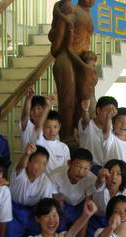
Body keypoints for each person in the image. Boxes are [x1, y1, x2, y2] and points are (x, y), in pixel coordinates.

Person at [48, 0, 95, 141]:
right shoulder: (70, 8)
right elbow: (56, 43)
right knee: (68, 101)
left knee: (85, 99)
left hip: (82, 60)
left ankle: (81, 134)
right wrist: (64, 22)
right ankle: (66, 136)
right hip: (67, 58)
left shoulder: (88, 14)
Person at [49, 147, 96, 237]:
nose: (81, 172)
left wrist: (81, 235)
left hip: (80, 208)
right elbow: (55, 205)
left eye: (85, 168)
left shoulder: (91, 179)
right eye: (78, 166)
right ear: (69, 163)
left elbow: (87, 208)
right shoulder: (55, 175)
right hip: (60, 208)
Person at [78, 96, 118, 173]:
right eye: (107, 112)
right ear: (98, 110)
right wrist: (85, 110)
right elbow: (85, 120)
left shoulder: (112, 127)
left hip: (105, 169)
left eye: (112, 113)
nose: (109, 115)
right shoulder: (88, 124)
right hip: (88, 169)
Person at [102, 107, 126, 171]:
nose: (124, 124)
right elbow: (106, 131)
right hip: (109, 176)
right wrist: (108, 117)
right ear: (113, 123)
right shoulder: (110, 138)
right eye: (120, 121)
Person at [37, 108, 71, 174]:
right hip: (42, 183)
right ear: (42, 127)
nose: (52, 131)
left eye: (55, 127)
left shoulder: (64, 147)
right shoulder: (39, 142)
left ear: (59, 127)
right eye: (47, 127)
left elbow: (66, 169)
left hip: (58, 183)